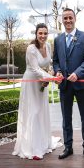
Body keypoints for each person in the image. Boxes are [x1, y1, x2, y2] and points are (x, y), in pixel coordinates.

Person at [12, 23, 62, 160]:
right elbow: (35, 69)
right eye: (40, 33)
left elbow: (48, 64)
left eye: (45, 33)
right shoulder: (31, 49)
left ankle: (43, 143)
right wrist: (52, 78)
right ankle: (32, 148)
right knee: (33, 112)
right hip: (31, 83)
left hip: (42, 83)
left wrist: (50, 74)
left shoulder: (48, 46)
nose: (43, 36)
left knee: (41, 111)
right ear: (36, 34)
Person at [53, 8, 84, 160]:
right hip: (65, 86)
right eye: (65, 18)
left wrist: (77, 73)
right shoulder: (57, 40)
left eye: (70, 17)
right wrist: (57, 72)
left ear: (75, 18)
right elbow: (56, 61)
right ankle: (68, 147)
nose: (68, 21)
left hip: (82, 85)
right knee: (66, 118)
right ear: (62, 20)